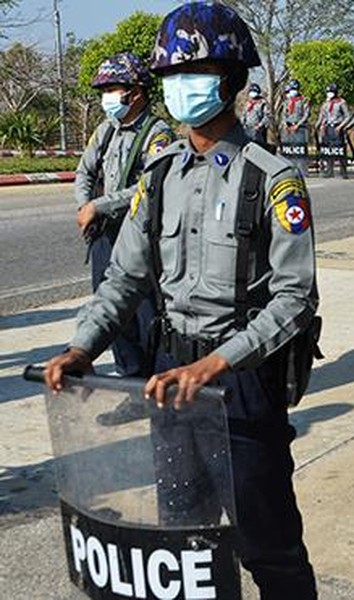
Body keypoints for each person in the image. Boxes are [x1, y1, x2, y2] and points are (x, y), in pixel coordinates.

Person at [44, 3, 321, 598]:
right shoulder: (161, 176)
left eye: (192, 73)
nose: (178, 86)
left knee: (268, 546)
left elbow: (295, 298)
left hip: (240, 383)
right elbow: (125, 278)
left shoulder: (271, 179)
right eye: (170, 74)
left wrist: (219, 363)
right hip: (171, 378)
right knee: (183, 539)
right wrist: (81, 346)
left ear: (232, 81)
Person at [75, 52, 175, 426]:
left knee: (145, 313)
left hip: (141, 235)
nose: (107, 97)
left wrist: (99, 206)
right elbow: (84, 170)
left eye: (112, 89)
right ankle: (132, 387)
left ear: (136, 92)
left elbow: (149, 186)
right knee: (111, 308)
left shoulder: (157, 133)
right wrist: (85, 206)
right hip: (106, 235)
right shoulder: (106, 130)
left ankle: (154, 383)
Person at [317, 83, 350, 179]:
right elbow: (323, 116)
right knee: (328, 150)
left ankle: (343, 171)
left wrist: (341, 126)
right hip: (328, 128)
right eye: (328, 92)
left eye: (331, 92)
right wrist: (321, 126)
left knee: (339, 149)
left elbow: (347, 116)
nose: (329, 94)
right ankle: (329, 170)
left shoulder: (341, 102)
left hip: (337, 128)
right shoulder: (325, 104)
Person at [281, 79, 310, 176]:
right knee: (290, 149)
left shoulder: (304, 100)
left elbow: (306, 114)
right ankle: (291, 171)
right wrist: (285, 123)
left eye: (295, 88)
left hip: (300, 127)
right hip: (288, 128)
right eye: (291, 89)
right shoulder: (287, 101)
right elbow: (284, 114)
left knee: (300, 149)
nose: (293, 91)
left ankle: (302, 171)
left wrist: (298, 125)